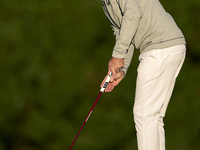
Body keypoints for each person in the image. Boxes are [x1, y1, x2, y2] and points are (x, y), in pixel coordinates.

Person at [100, 0, 186, 150]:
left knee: (144, 115)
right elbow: (122, 33)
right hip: (169, 46)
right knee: (154, 117)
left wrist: (117, 55)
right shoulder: (106, 4)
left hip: (160, 47)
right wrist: (121, 69)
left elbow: (133, 14)